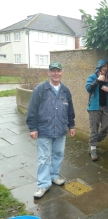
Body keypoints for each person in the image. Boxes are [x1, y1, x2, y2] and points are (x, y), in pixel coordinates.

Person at [26, 62, 75, 199]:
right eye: (53, 71)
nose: (55, 73)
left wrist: (71, 126)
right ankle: (43, 184)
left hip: (60, 129)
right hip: (43, 130)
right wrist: (33, 128)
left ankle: (54, 176)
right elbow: (32, 109)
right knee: (43, 158)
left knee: (58, 154)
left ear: (62, 72)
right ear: (48, 73)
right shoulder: (40, 89)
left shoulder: (65, 90)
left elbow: (70, 110)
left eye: (58, 71)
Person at [85, 59, 108, 161]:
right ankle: (93, 149)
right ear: (99, 67)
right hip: (94, 107)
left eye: (107, 67)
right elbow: (89, 89)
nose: (105, 68)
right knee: (94, 128)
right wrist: (98, 80)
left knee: (106, 127)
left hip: (106, 106)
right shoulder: (92, 77)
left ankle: (92, 143)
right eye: (104, 66)